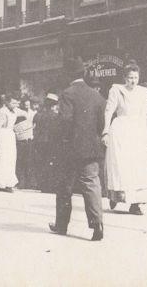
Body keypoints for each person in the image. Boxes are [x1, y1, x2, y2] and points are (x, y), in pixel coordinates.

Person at [49, 57, 105, 241]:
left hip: (70, 148)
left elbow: (65, 121)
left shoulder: (67, 93)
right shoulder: (96, 95)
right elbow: (101, 124)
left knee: (65, 186)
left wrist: (62, 139)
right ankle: (97, 224)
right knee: (91, 184)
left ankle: (62, 225)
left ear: (68, 75)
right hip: (91, 148)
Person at [102, 63, 147, 215]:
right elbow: (109, 111)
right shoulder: (117, 90)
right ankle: (116, 195)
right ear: (124, 78)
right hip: (121, 129)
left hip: (137, 131)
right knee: (121, 165)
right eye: (130, 78)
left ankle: (136, 204)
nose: (133, 81)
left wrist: (144, 135)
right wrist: (105, 131)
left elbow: (143, 114)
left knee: (139, 166)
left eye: (136, 77)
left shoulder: (142, 92)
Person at [0, 93, 25, 193]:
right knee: (2, 159)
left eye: (16, 103)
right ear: (7, 102)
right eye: (13, 102)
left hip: (10, 136)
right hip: (2, 135)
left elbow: (25, 113)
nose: (15, 105)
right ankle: (2, 183)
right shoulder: (1, 112)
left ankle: (9, 183)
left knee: (11, 159)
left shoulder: (15, 111)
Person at [33, 93, 61, 193]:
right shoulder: (55, 116)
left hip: (39, 142)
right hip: (51, 142)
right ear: (54, 105)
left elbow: (35, 129)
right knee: (51, 163)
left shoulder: (38, 115)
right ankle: (50, 185)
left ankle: (42, 185)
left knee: (41, 162)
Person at [14, 99, 36, 189]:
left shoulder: (32, 113)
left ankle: (27, 182)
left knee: (27, 162)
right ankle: (22, 182)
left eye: (28, 105)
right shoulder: (20, 113)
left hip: (28, 139)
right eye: (26, 105)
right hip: (23, 140)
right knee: (22, 162)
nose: (27, 106)